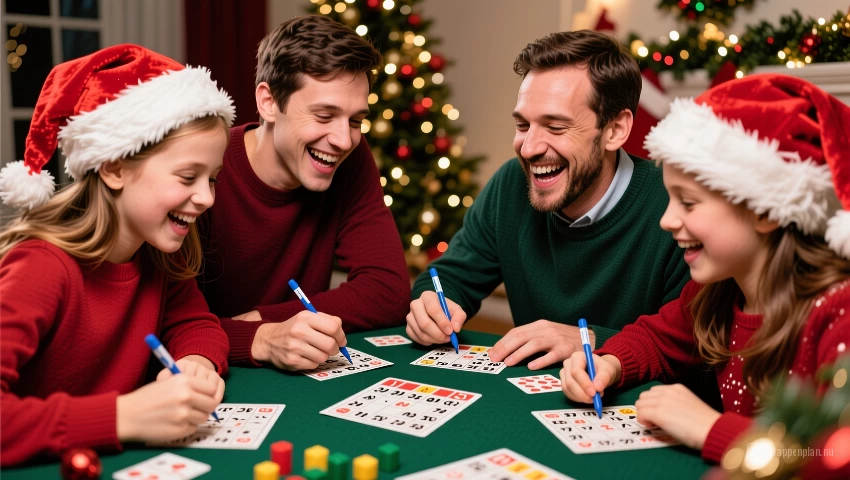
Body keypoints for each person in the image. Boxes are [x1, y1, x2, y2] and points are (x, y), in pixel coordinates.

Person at [561, 74, 850, 462]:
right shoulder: (719, 290)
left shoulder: (838, 314)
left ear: (763, 210)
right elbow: (657, 338)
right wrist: (609, 363)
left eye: (689, 203)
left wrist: (711, 429)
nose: (666, 220)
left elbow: (831, 454)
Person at [0, 44, 235, 466]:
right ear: (114, 168)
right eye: (188, 177)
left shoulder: (157, 252)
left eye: (212, 179)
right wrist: (123, 417)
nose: (206, 197)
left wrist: (196, 363)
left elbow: (196, 323)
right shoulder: (40, 268)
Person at [405, 30, 689, 370]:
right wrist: (434, 305)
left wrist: (589, 340)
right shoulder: (511, 184)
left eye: (555, 127)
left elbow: (694, 349)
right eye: (523, 125)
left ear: (615, 131)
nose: (528, 148)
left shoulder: (677, 208)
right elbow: (449, 277)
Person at [197, 15, 410, 371]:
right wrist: (261, 337)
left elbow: (387, 290)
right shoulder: (203, 167)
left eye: (356, 120)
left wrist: (261, 318)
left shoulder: (351, 159)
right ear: (268, 102)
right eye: (324, 116)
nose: (344, 140)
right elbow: (161, 324)